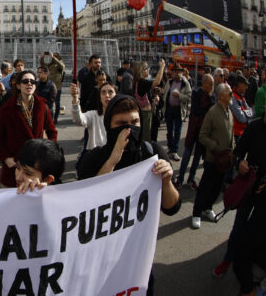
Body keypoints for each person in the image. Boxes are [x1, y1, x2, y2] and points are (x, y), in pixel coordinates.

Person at [76, 94, 180, 296]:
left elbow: (172, 207)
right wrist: (112, 161)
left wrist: (166, 181)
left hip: (138, 257)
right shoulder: (93, 159)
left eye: (135, 122)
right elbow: (87, 204)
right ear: (109, 125)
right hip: (101, 255)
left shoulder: (152, 152)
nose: (130, 129)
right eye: (122, 124)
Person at [213, 101, 266, 279]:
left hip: (265, 192)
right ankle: (228, 259)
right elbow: (237, 153)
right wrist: (239, 163)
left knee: (257, 231)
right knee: (239, 227)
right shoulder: (255, 127)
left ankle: (249, 263)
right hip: (248, 186)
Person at [0, 70, 58, 188]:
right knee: (13, 202)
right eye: (25, 81)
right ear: (18, 85)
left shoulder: (42, 106)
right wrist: (6, 158)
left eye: (32, 81)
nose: (29, 84)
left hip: (36, 165)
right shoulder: (7, 108)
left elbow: (52, 132)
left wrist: (48, 154)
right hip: (15, 165)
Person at [191, 83, 234, 229]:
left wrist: (232, 149)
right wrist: (215, 147)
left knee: (217, 187)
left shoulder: (229, 111)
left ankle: (207, 208)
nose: (231, 95)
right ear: (221, 95)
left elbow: (231, 133)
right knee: (206, 186)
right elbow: (202, 136)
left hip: (225, 160)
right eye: (229, 93)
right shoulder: (213, 112)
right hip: (213, 158)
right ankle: (196, 213)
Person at [175, 74, 215, 188]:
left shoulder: (211, 97)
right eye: (210, 84)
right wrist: (205, 111)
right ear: (205, 83)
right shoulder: (196, 93)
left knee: (197, 156)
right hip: (194, 129)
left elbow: (210, 110)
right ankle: (180, 178)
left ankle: (191, 179)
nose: (212, 86)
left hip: (203, 131)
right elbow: (197, 110)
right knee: (187, 154)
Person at [70, 81, 116, 150]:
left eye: (110, 92)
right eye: (103, 92)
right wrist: (75, 99)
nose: (107, 95)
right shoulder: (93, 115)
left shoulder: (121, 117)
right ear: (100, 97)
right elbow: (78, 119)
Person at [131, 60, 165, 142]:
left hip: (143, 113)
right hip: (145, 114)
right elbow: (157, 82)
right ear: (141, 71)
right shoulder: (142, 82)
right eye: (146, 68)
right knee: (146, 138)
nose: (148, 70)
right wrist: (162, 66)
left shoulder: (138, 82)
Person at [162, 66, 191, 161]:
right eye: (174, 72)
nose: (176, 74)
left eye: (178, 72)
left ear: (181, 73)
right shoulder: (170, 82)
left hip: (179, 110)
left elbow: (189, 97)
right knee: (169, 130)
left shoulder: (185, 83)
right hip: (169, 109)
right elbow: (165, 93)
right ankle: (170, 148)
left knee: (177, 131)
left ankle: (175, 151)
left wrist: (179, 96)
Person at [41, 52, 65, 121]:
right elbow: (43, 65)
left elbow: (62, 66)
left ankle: (55, 118)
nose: (53, 57)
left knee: (57, 103)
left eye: (56, 56)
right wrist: (42, 58)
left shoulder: (60, 64)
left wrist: (53, 58)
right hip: (49, 86)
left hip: (57, 87)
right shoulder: (50, 64)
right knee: (48, 103)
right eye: (53, 56)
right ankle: (49, 118)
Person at [230, 75, 253, 145]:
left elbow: (251, 112)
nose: (247, 87)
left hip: (242, 133)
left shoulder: (242, 97)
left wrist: (245, 112)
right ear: (239, 84)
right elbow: (241, 118)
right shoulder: (233, 97)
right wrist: (247, 113)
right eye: (245, 85)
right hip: (235, 134)